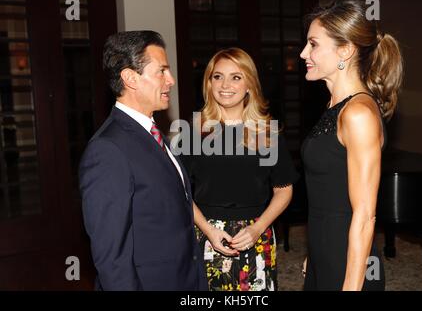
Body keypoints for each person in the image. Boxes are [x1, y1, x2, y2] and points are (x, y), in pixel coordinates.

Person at [79, 31, 207, 290]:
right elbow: (112, 258)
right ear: (130, 78)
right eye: (162, 71)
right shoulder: (107, 151)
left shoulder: (151, 132)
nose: (170, 80)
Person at [299, 0, 403, 290]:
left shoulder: (358, 114)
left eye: (313, 44)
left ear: (345, 50)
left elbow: (365, 214)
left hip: (348, 263)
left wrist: (351, 286)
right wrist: (315, 254)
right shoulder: (335, 107)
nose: (303, 53)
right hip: (326, 252)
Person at [179, 47, 299, 291]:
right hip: (206, 235)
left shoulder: (267, 134)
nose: (225, 84)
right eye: (217, 76)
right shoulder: (193, 132)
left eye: (236, 77)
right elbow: (180, 190)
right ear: (209, 83)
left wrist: (257, 228)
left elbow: (284, 190)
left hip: (256, 234)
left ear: (249, 85)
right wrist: (209, 230)